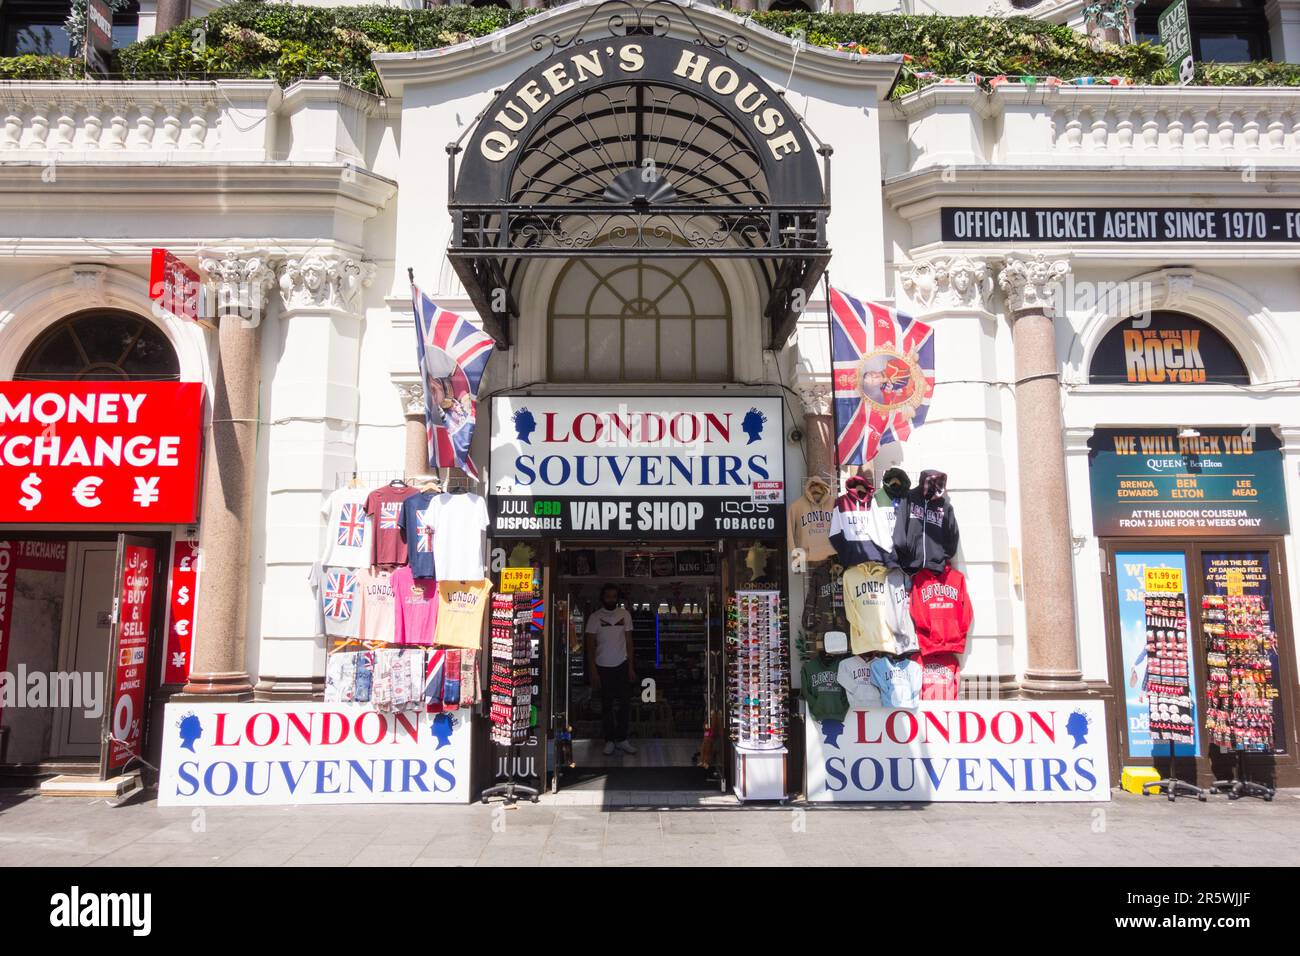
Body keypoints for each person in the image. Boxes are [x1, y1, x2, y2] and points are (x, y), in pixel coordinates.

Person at [585, 584, 637, 755]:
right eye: (608, 596)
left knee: (624, 704)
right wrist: (592, 670)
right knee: (606, 706)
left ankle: (622, 739)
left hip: (622, 665)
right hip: (602, 666)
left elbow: (629, 642)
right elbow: (590, 646)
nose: (611, 599)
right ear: (602, 598)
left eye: (614, 596)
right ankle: (609, 740)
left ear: (617, 598)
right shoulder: (594, 617)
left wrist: (631, 667)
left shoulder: (625, 614)